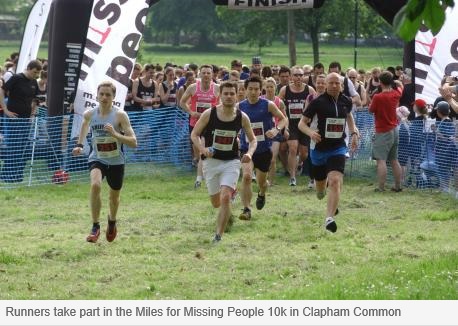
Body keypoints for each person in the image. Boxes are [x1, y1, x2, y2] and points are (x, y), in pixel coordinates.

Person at [190, 81, 257, 243]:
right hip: (211, 162)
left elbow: (253, 140)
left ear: (237, 95)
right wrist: (202, 149)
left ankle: (218, 236)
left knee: (225, 197)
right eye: (225, 93)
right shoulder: (209, 113)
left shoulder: (242, 117)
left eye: (231, 93)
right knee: (216, 202)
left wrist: (249, 153)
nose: (228, 96)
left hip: (231, 161)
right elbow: (194, 134)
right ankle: (227, 205)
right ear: (220, 95)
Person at [72, 81, 137, 243]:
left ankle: (112, 222)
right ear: (97, 95)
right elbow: (85, 126)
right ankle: (95, 227)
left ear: (114, 97)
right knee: (95, 185)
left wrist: (116, 134)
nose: (104, 97)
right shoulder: (89, 114)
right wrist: (80, 145)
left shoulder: (120, 115)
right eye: (101, 94)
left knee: (114, 197)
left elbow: (134, 142)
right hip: (97, 158)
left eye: (108, 94)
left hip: (116, 161)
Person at [298, 72, 359, 233]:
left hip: (338, 147)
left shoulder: (346, 101)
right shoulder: (317, 102)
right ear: (325, 84)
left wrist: (353, 133)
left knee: (335, 180)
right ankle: (323, 193)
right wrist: (311, 133)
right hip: (318, 149)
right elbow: (301, 124)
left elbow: (349, 117)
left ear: (342, 85)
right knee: (320, 191)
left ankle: (329, 218)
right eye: (330, 83)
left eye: (336, 83)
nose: (333, 86)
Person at [238, 76, 287, 220]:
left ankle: (262, 193)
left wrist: (276, 129)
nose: (253, 92)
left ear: (261, 90)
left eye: (256, 89)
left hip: (264, 149)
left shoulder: (268, 105)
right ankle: (246, 209)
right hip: (246, 148)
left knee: (262, 183)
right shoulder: (239, 106)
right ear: (246, 90)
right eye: (250, 89)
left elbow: (284, 119)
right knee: (246, 176)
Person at [0, 59, 42, 183]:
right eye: (35, 72)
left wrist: (32, 114)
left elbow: (35, 100)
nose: (36, 75)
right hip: (13, 118)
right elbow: (2, 90)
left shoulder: (34, 82)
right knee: (13, 146)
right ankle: (7, 175)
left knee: (23, 147)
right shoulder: (16, 78)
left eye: (38, 73)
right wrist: (5, 109)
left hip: (26, 120)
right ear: (29, 68)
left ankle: (18, 175)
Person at [180, 64, 220, 189]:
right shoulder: (193, 87)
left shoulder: (217, 88)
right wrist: (192, 112)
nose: (206, 75)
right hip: (195, 123)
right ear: (200, 74)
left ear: (212, 74)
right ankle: (203, 169)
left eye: (209, 73)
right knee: (198, 152)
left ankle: (199, 178)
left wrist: (215, 114)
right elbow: (182, 102)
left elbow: (222, 104)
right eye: (204, 73)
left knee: (204, 149)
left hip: (210, 125)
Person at [278, 66, 316, 186]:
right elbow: (278, 105)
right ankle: (292, 177)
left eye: (301, 75)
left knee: (304, 153)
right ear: (291, 77)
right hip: (291, 124)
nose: (298, 77)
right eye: (296, 75)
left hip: (304, 125)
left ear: (304, 76)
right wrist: (283, 120)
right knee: (293, 148)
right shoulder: (285, 90)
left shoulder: (309, 90)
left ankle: (299, 164)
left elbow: (316, 105)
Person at [369, 71, 404, 192]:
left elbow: (371, 110)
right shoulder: (395, 94)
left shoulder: (378, 97)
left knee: (381, 160)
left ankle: (381, 187)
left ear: (380, 82)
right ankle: (398, 186)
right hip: (394, 129)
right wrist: (397, 82)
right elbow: (400, 88)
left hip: (383, 130)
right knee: (394, 160)